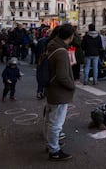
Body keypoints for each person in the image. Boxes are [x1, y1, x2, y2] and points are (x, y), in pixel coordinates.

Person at [44, 24, 75, 161]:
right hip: (59, 92)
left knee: (49, 120)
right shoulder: (61, 51)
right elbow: (62, 76)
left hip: (52, 89)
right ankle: (54, 150)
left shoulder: (52, 45)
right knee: (56, 124)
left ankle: (50, 144)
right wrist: (71, 86)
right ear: (70, 36)